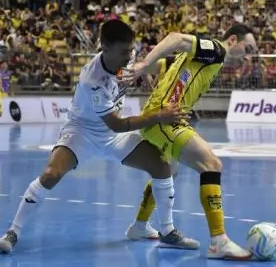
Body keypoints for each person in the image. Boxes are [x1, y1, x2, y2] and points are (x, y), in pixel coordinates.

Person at [0, 19, 199, 254]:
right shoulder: (93, 81)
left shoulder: (126, 58)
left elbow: (140, 72)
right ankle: (13, 232)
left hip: (112, 136)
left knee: (162, 166)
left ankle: (166, 231)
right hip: (82, 133)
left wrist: (146, 74)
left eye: (131, 50)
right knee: (51, 174)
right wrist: (159, 116)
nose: (129, 57)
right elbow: (117, 124)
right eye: (124, 52)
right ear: (105, 48)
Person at [122, 24, 258, 260]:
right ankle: (219, 241)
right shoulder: (216, 50)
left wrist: (148, 70)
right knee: (211, 164)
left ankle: (140, 227)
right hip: (164, 120)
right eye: (248, 48)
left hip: (163, 117)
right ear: (233, 40)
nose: (248, 56)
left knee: (167, 171)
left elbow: (166, 65)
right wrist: (143, 66)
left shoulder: (206, 61)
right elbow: (175, 38)